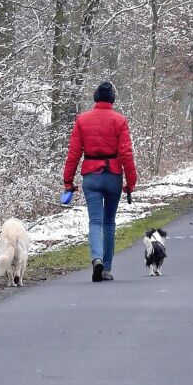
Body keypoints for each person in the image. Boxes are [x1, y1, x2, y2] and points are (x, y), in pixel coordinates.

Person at [62, 81, 137, 282]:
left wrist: (68, 181)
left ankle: (96, 259)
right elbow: (126, 154)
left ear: (95, 97)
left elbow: (74, 152)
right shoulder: (120, 120)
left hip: (91, 176)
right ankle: (106, 268)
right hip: (113, 175)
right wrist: (131, 181)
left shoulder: (82, 120)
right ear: (112, 99)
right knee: (109, 223)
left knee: (95, 221)